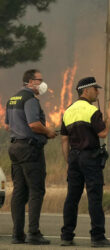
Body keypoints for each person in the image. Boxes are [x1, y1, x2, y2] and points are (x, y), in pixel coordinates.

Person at [60, 76, 110, 247]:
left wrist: (68, 162)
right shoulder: (92, 111)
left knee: (72, 198)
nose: (97, 92)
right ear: (85, 90)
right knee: (94, 197)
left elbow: (64, 140)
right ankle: (97, 237)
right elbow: (103, 133)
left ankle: (66, 236)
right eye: (95, 89)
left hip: (74, 158)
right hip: (90, 158)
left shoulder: (67, 111)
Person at [5, 69, 57, 245]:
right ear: (29, 81)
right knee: (36, 190)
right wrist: (48, 131)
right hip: (30, 149)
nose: (42, 83)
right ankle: (33, 233)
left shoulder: (13, 99)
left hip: (15, 147)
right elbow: (34, 124)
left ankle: (17, 234)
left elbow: (7, 126)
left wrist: (19, 129)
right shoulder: (30, 99)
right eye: (39, 80)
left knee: (19, 191)